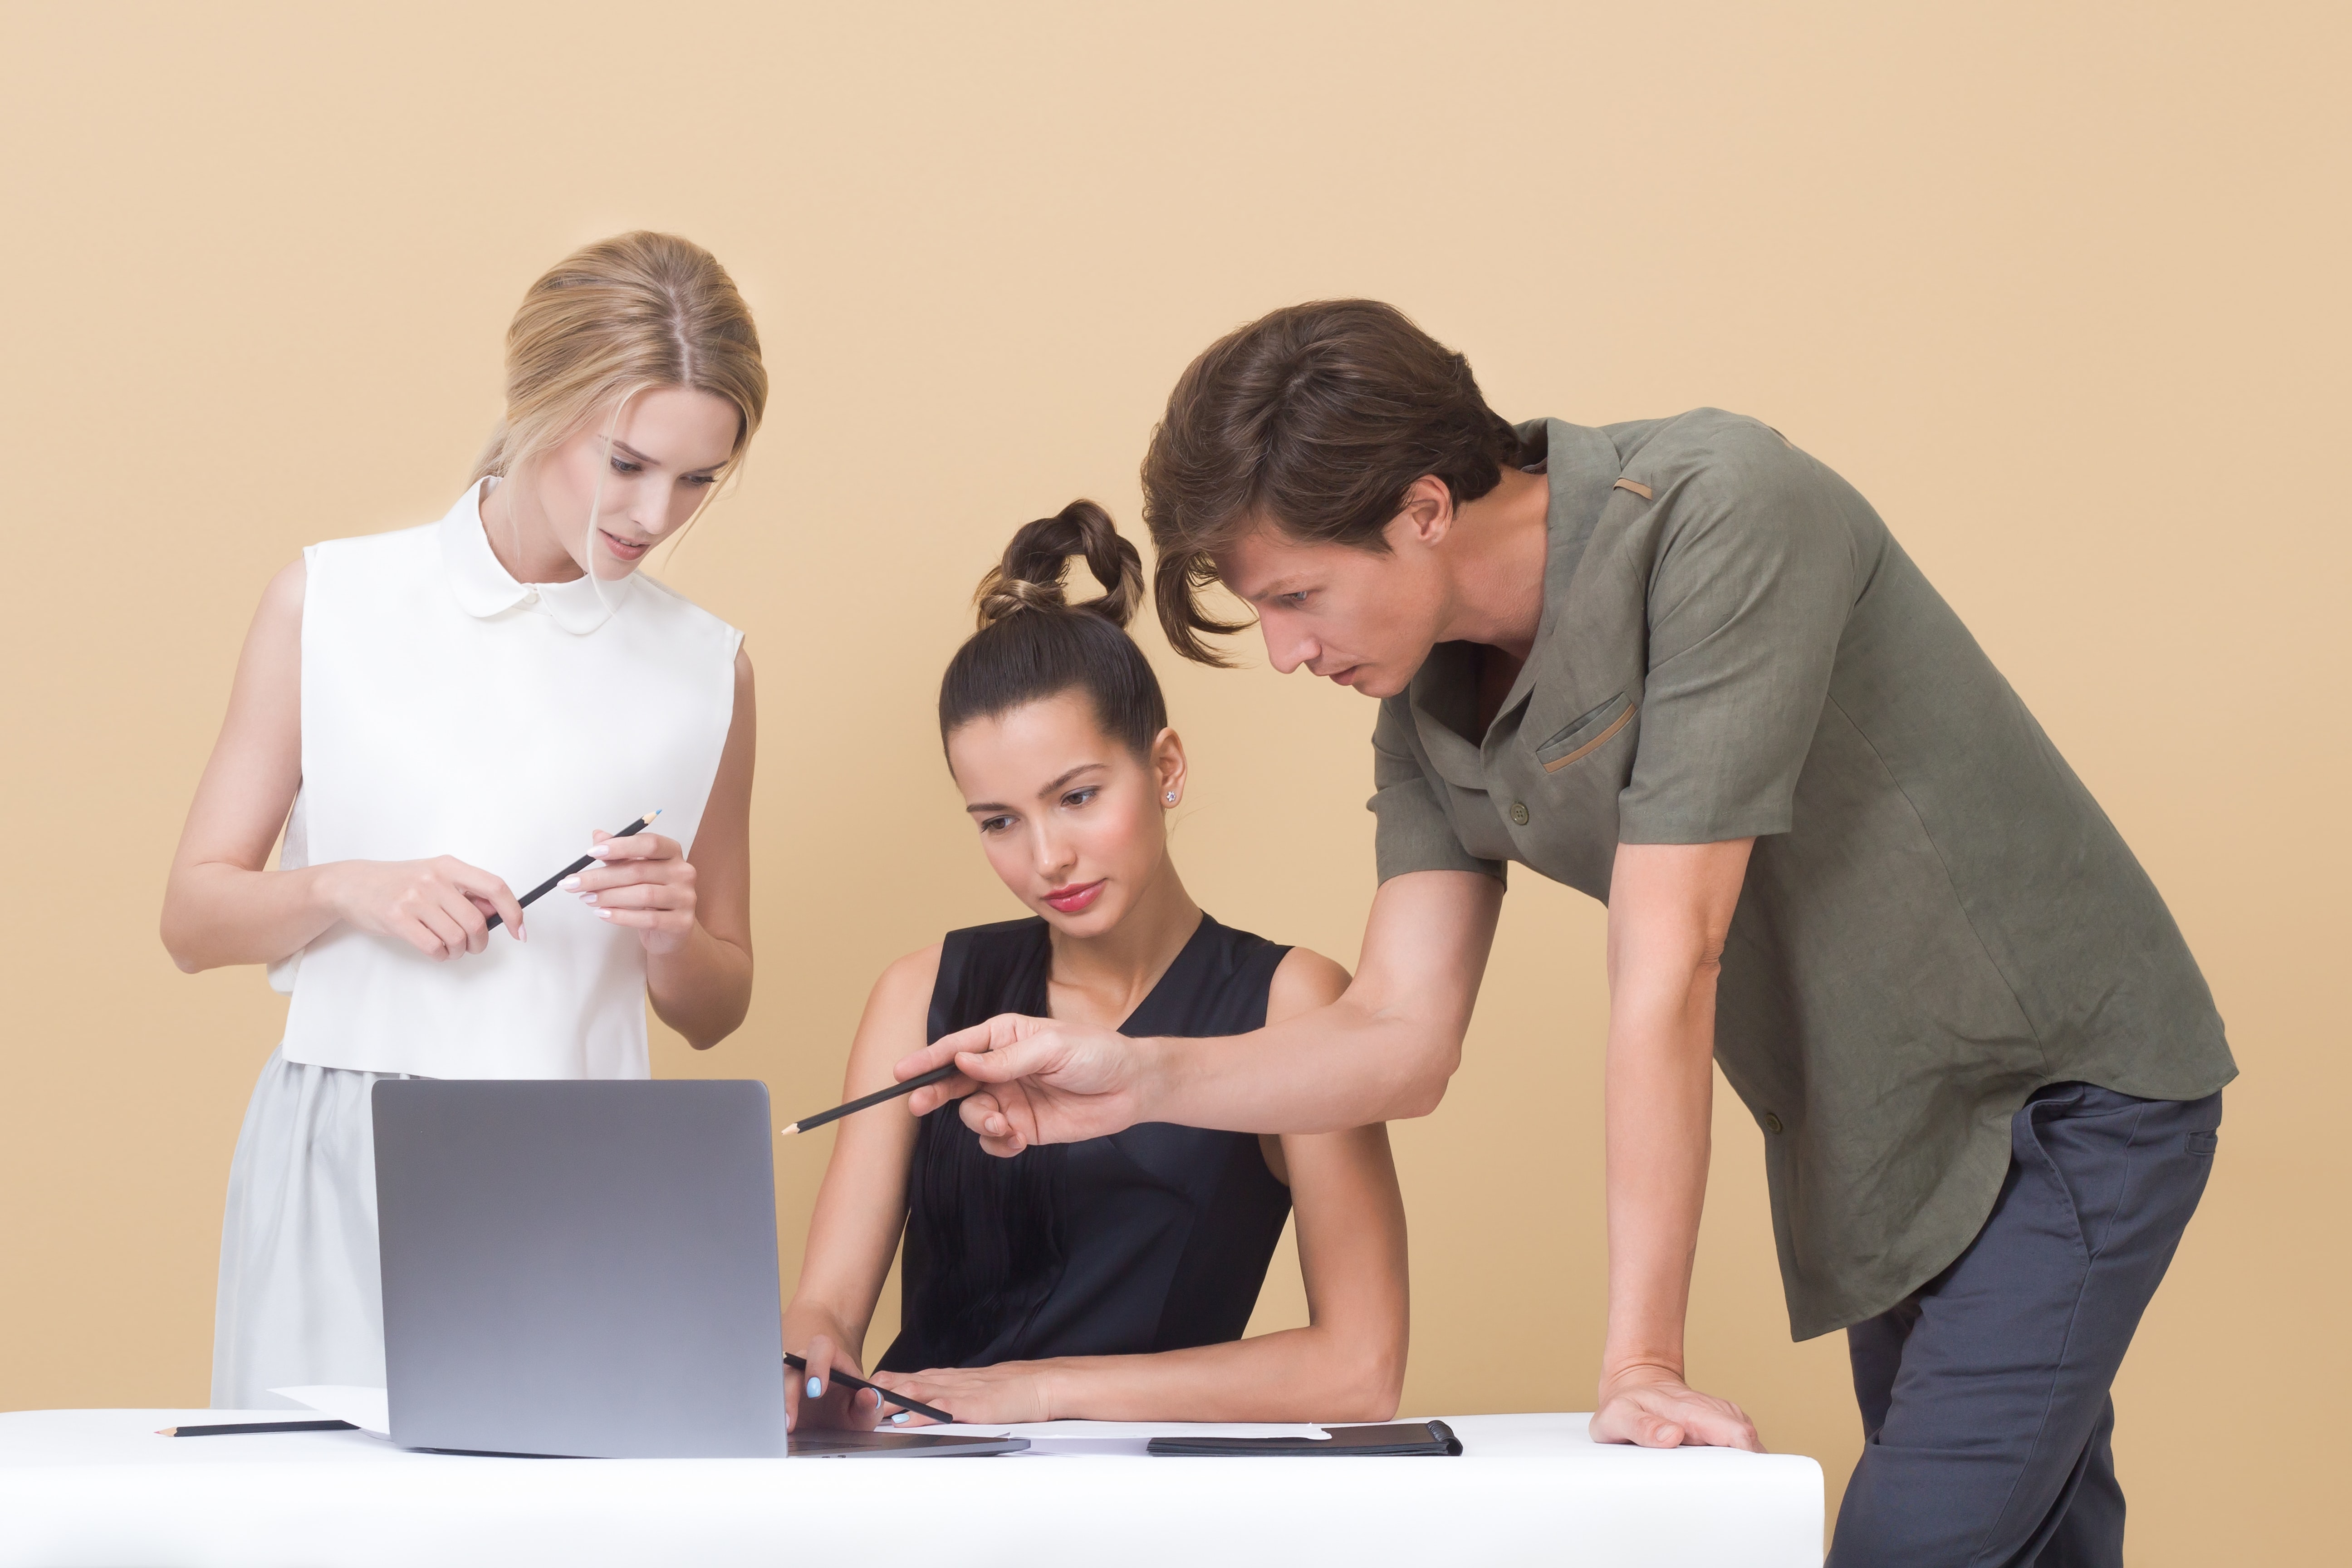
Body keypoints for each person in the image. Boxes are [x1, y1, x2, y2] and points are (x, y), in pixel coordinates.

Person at [900, 302, 2233, 1564]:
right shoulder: (1424, 699)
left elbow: (1672, 964)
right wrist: (1131, 1081)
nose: (1286, 653)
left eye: (1297, 597)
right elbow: (1399, 1037)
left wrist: (1639, 1364)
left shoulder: (1723, 514)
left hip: (2058, 1093)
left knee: (1920, 1544)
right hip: (1874, 1145)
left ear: (1423, 510)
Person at [161, 232, 766, 1408]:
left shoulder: (710, 671)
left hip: (586, 1165)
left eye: (700, 479)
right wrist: (345, 887)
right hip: (344, 1142)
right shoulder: (330, 601)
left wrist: (670, 932)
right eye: (629, 463)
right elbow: (193, 919)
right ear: (540, 402)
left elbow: (717, 1009)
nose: (658, 514)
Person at [784, 501, 1409, 1433]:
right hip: (916, 1482)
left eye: (1077, 797)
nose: (1047, 859)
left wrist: (1039, 1394)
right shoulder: (921, 994)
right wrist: (807, 1358)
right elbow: (826, 1311)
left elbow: (1361, 1370)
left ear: (1165, 768)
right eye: (998, 821)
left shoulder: (1292, 1004)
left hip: (1140, 1502)